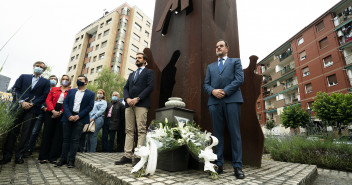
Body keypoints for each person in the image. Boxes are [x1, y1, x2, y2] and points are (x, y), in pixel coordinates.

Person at [203, 40, 245, 179]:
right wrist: (213, 91)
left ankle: (237, 166)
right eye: (216, 46)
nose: (218, 48)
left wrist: (225, 91)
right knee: (217, 135)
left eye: (221, 46)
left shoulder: (235, 62)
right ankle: (218, 164)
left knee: (235, 133)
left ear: (227, 48)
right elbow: (206, 85)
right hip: (214, 103)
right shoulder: (210, 66)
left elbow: (239, 79)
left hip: (232, 100)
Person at [0, 61, 50, 165]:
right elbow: (15, 89)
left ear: (43, 70)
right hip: (18, 107)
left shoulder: (45, 82)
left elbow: (44, 95)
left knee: (26, 134)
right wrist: (22, 101)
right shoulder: (23, 77)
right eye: (37, 66)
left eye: (41, 67)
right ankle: (7, 156)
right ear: (33, 67)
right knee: (12, 131)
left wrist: (33, 103)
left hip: (33, 109)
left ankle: (19, 155)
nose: (39, 68)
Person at [115, 52, 154, 165]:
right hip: (129, 105)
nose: (137, 59)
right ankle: (127, 155)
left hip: (141, 104)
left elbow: (150, 87)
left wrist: (138, 98)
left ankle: (138, 156)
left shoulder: (149, 72)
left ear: (145, 61)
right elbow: (125, 87)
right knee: (129, 130)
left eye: (139, 58)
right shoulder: (132, 74)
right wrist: (127, 98)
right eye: (136, 58)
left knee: (141, 130)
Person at [55, 75, 94, 168]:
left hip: (80, 118)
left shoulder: (90, 93)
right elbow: (65, 103)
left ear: (86, 82)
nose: (78, 81)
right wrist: (69, 115)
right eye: (78, 79)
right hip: (68, 117)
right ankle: (63, 159)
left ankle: (71, 161)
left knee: (75, 140)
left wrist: (78, 116)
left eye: (81, 80)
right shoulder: (71, 91)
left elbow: (90, 106)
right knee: (65, 139)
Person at [38, 75, 71, 164]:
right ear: (61, 80)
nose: (65, 81)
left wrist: (60, 112)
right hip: (50, 111)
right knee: (47, 133)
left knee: (58, 135)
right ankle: (43, 156)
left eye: (67, 79)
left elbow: (69, 103)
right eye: (63, 79)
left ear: (69, 81)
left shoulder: (71, 91)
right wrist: (53, 111)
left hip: (63, 113)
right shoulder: (54, 89)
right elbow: (48, 100)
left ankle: (53, 157)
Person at [26, 75, 58, 157]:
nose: (53, 80)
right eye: (52, 79)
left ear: (57, 82)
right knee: (35, 131)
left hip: (51, 113)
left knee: (48, 132)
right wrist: (43, 107)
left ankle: (45, 151)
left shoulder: (57, 90)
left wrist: (51, 110)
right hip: (40, 111)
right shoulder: (45, 88)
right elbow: (39, 98)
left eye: (55, 79)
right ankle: (29, 149)